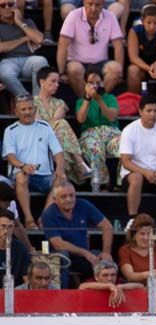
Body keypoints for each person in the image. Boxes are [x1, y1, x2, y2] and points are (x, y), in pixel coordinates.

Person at [3, 95, 64, 229]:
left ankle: (44, 218)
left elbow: (58, 152)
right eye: (23, 109)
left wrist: (60, 168)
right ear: (16, 111)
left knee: (61, 181)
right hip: (22, 175)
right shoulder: (10, 130)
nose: (27, 112)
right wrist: (23, 166)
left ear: (35, 109)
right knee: (21, 177)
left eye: (30, 108)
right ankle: (29, 220)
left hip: (45, 176)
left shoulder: (45, 127)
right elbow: (10, 156)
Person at [39, 181, 112, 285]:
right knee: (63, 256)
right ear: (55, 200)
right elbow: (58, 244)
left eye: (71, 195)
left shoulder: (83, 205)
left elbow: (107, 226)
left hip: (82, 255)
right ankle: (62, 295)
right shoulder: (48, 214)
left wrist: (106, 252)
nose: (69, 199)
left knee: (105, 262)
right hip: (58, 255)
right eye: (64, 196)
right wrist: (86, 253)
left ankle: (105, 292)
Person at [33, 68, 90, 184]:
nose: (57, 85)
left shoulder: (60, 103)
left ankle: (63, 179)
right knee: (61, 127)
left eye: (58, 82)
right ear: (42, 82)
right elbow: (39, 125)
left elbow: (57, 120)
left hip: (56, 139)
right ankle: (80, 163)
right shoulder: (32, 102)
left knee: (60, 129)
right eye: (53, 81)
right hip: (37, 138)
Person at [57, 0, 123, 98]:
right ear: (84, 2)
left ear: (103, 4)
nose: (93, 8)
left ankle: (97, 101)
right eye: (90, 4)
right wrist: (61, 72)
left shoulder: (110, 16)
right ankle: (84, 102)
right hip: (77, 61)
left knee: (116, 69)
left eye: (97, 5)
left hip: (101, 62)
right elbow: (63, 45)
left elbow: (118, 46)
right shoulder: (73, 15)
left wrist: (120, 73)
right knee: (74, 69)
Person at [75, 67, 121, 188]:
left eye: (98, 83)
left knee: (125, 145)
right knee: (95, 149)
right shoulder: (81, 101)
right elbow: (81, 119)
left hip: (111, 134)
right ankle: (102, 183)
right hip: (91, 135)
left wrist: (99, 99)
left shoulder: (110, 98)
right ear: (85, 84)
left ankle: (122, 182)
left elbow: (111, 117)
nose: (95, 86)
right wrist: (88, 99)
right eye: (91, 83)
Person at [0, 0, 47, 100]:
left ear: (15, 6)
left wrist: (20, 23)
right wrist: (23, 39)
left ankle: (38, 99)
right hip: (8, 61)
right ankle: (25, 98)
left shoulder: (28, 22)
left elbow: (39, 39)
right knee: (5, 73)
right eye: (3, 5)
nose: (7, 7)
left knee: (41, 61)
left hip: (29, 59)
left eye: (10, 4)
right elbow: (1, 48)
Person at [117, 213, 156, 287]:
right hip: (136, 288)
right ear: (134, 235)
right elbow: (129, 275)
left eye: (149, 234)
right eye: (142, 234)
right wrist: (149, 274)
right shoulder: (125, 250)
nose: (146, 238)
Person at [0, 209, 32, 287]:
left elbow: (27, 278)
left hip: (15, 292)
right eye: (3, 226)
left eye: (10, 227)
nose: (6, 231)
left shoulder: (20, 248)